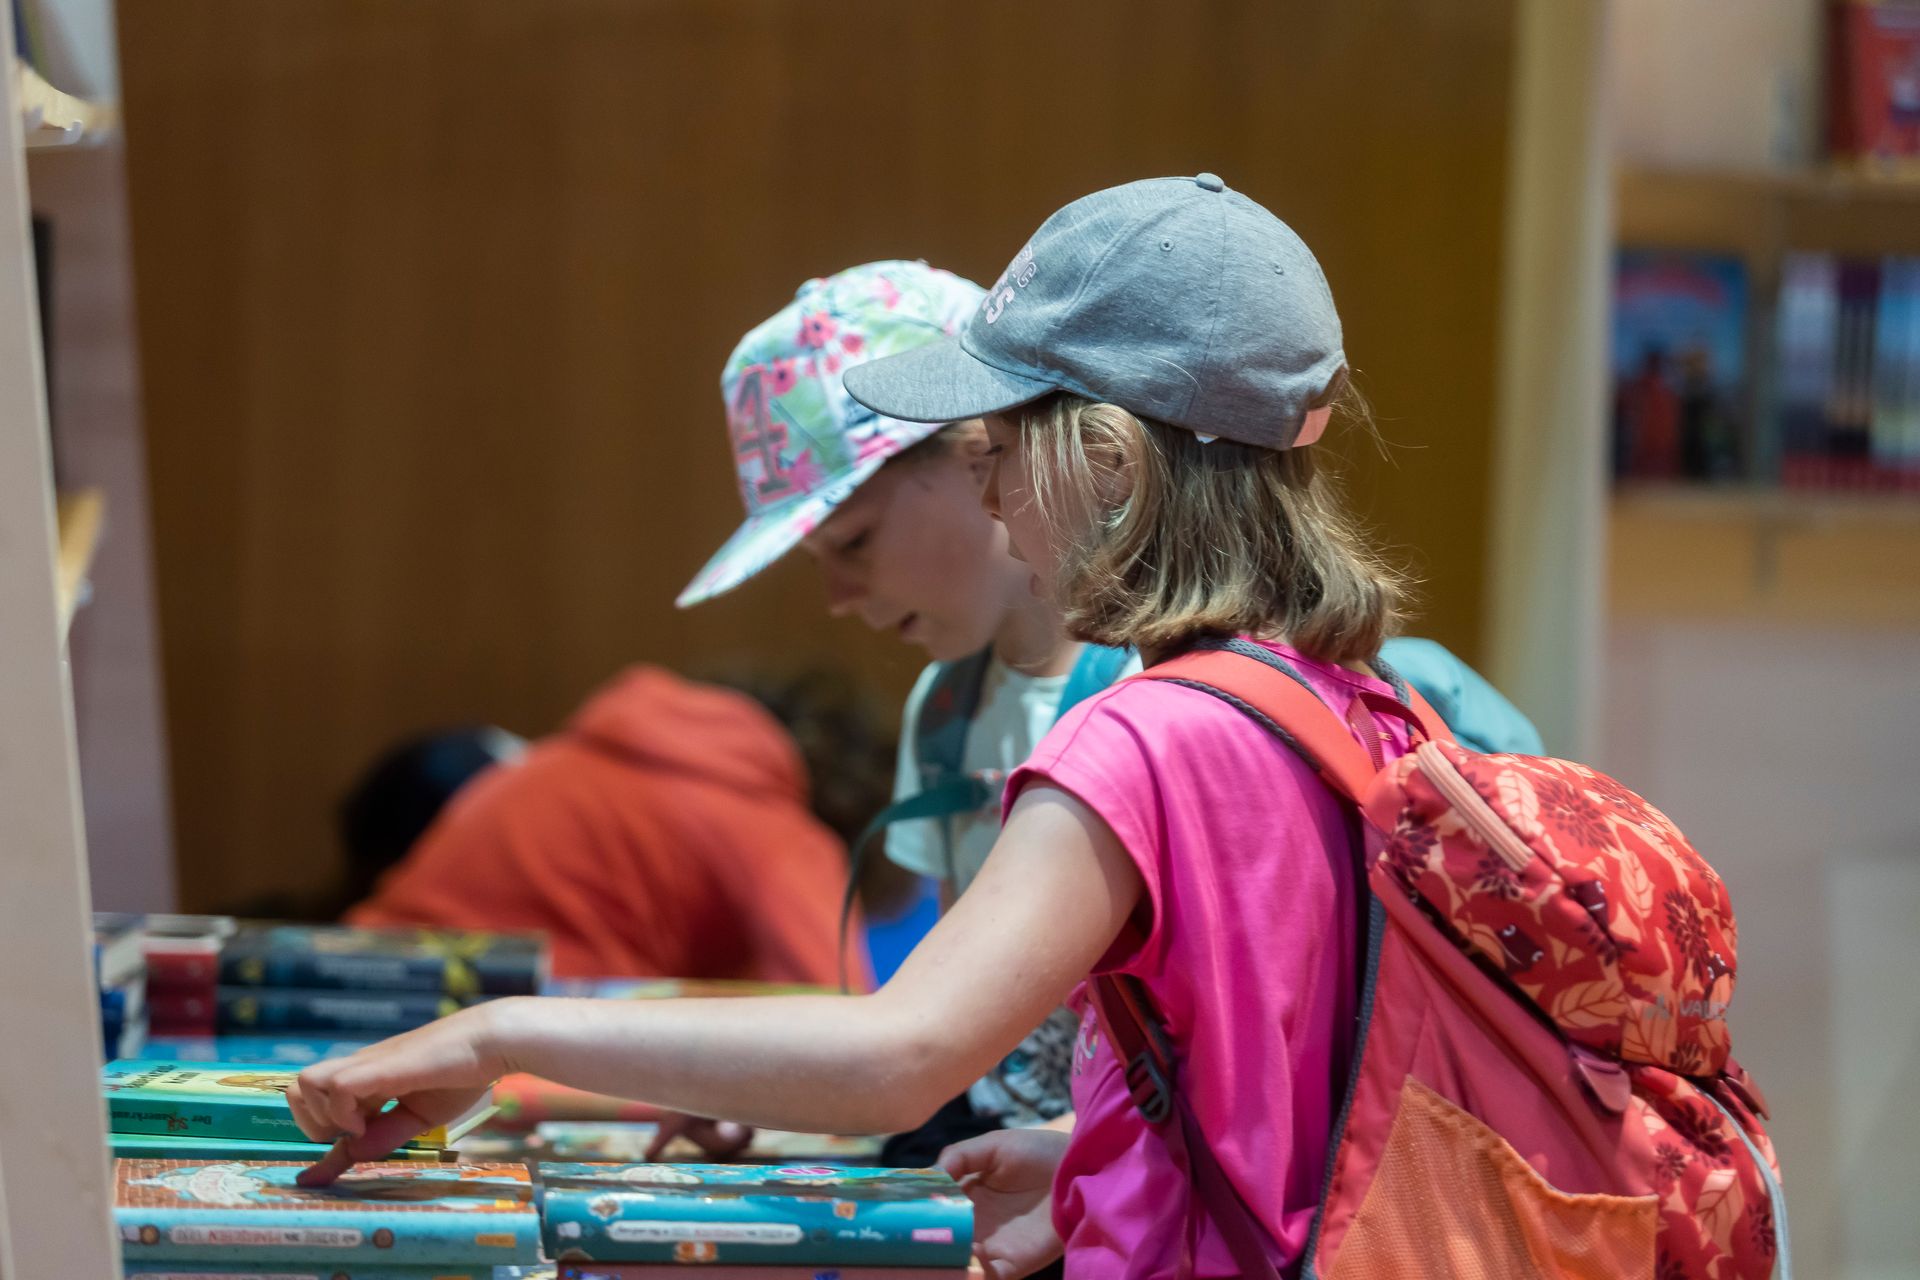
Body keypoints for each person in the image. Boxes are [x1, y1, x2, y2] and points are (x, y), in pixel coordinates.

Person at [288, 176, 1504, 1277]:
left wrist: (495, 1034)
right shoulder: (1349, 701)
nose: (993, 495)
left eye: (1001, 450)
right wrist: (1085, 1144)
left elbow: (899, 1055)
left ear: (1109, 462)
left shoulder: (1144, 737)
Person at [346, 664, 889, 988]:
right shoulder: (771, 826)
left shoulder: (551, 762)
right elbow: (844, 1024)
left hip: (352, 985)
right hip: (524, 1044)